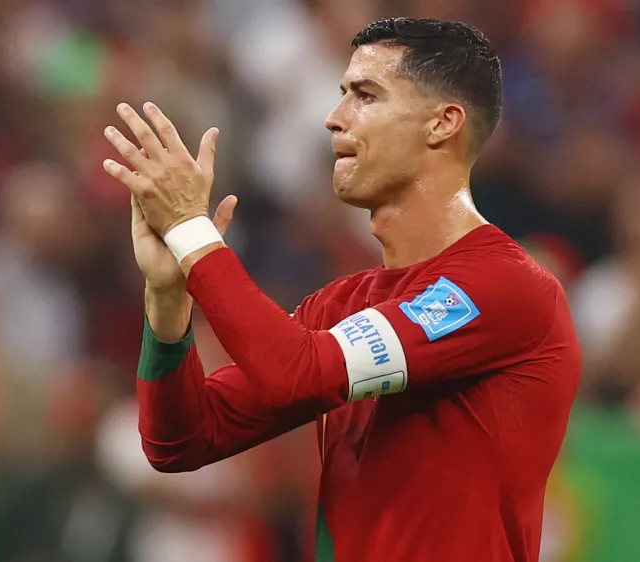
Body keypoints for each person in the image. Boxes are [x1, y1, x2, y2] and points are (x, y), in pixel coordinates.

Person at [102, 17, 581, 562]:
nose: (333, 119)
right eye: (341, 95)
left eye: (366, 96)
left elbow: (297, 372)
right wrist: (168, 297)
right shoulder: (341, 304)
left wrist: (193, 233)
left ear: (442, 124)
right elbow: (180, 441)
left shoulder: (507, 286)